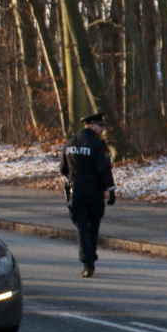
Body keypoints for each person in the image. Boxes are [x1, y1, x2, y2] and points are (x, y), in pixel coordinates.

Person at [59, 112, 117, 278]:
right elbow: (104, 169)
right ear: (91, 126)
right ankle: (90, 258)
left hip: (76, 191)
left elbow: (63, 168)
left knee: (82, 227)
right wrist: (111, 190)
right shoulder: (98, 144)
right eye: (101, 127)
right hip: (94, 192)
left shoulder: (68, 143)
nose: (103, 130)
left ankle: (87, 262)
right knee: (93, 225)